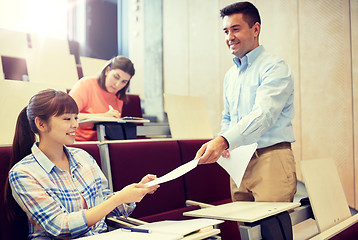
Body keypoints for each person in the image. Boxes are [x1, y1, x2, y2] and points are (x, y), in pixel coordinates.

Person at [6, 89, 159, 239]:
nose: (75, 125)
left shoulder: (83, 157)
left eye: (76, 118)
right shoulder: (23, 173)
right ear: (41, 124)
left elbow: (107, 207)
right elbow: (61, 226)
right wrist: (118, 199)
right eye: (67, 119)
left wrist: (138, 190)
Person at [195, 2, 297, 203]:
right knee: (242, 229)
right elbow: (228, 116)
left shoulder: (275, 67)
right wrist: (225, 143)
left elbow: (263, 115)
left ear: (256, 29)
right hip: (238, 162)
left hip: (270, 159)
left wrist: (223, 140)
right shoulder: (230, 75)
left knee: (271, 231)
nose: (229, 37)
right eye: (225, 31)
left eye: (235, 29)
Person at [69, 56, 135, 141]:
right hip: (79, 141)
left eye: (124, 82)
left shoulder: (118, 96)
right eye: (116, 77)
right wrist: (103, 116)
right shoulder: (86, 84)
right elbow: (67, 116)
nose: (117, 85)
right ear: (107, 71)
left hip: (104, 141)